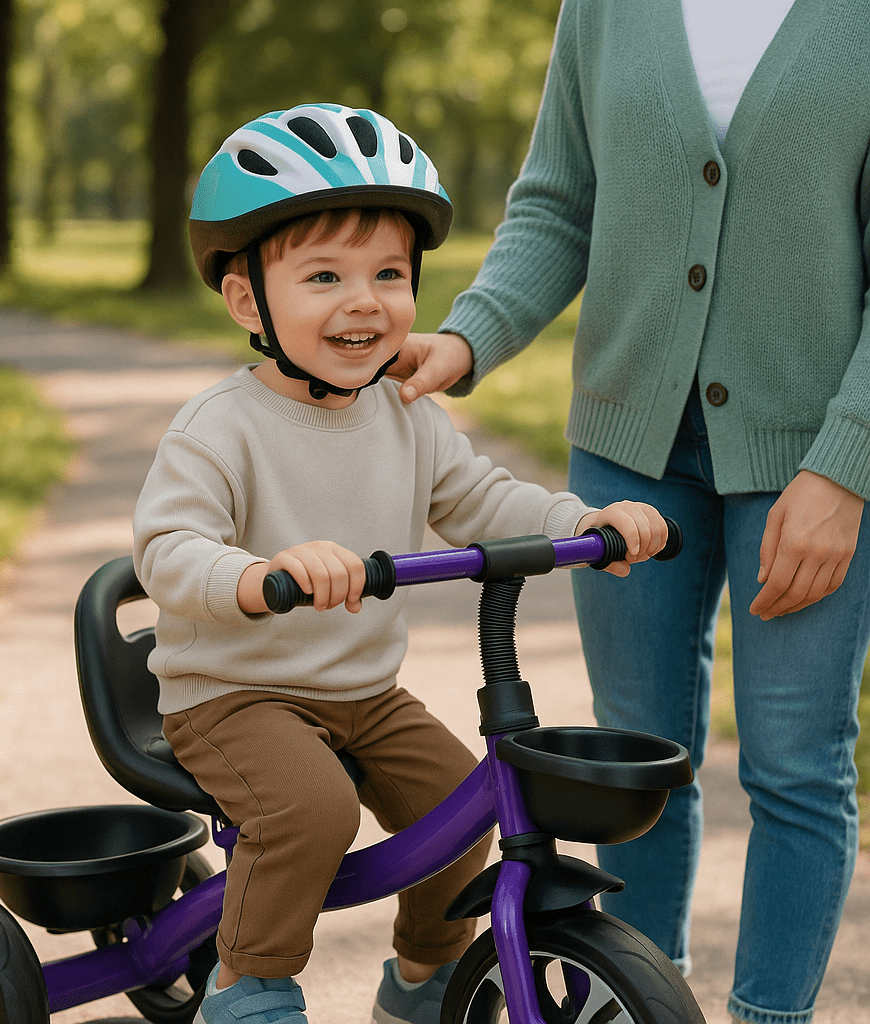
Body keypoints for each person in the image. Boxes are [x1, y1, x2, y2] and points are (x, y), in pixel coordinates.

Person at [133, 103, 670, 1024]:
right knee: (308, 812)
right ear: (248, 299)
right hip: (233, 690)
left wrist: (587, 521)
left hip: (365, 695)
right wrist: (263, 575)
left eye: (389, 273)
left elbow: (482, 498)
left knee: (460, 818)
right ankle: (249, 981)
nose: (365, 300)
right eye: (325, 276)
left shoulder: (408, 414)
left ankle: (420, 981)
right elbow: (168, 552)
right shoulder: (219, 429)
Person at [390, 3, 870, 1023]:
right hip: (626, 446)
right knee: (634, 756)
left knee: (793, 763)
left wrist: (847, 467)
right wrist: (466, 337)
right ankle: (634, 1004)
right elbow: (558, 204)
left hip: (808, 458)